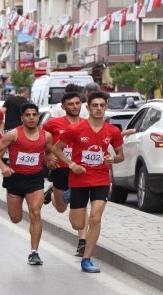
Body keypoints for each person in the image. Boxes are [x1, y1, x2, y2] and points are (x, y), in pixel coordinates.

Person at [51, 91, 124, 273]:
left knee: (95, 218)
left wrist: (112, 160)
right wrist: (71, 164)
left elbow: (121, 156)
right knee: (78, 224)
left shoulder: (113, 131)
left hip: (100, 178)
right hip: (78, 179)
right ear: (88, 107)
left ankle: (87, 259)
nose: (98, 109)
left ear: (106, 107)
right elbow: (56, 149)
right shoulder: (75, 129)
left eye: (102, 105)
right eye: (95, 105)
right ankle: (68, 197)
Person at [0, 103, 55, 265]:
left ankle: (34, 252)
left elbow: (48, 153)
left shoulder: (46, 136)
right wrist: (3, 167)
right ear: (22, 118)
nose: (32, 118)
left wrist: (50, 160)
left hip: (35, 179)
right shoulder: (13, 134)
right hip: (15, 178)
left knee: (35, 213)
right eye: (28, 115)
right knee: (15, 218)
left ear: (38, 116)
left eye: (34, 115)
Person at [42, 92, 89, 255]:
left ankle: (83, 242)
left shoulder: (86, 123)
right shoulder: (53, 124)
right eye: (71, 104)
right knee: (61, 208)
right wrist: (48, 156)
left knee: (80, 205)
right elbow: (41, 141)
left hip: (79, 170)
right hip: (60, 169)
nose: (75, 107)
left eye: (77, 103)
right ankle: (52, 194)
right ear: (63, 107)